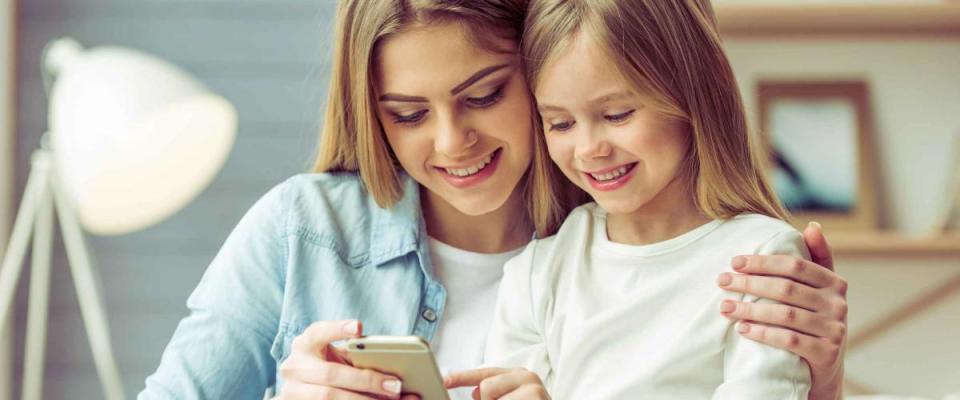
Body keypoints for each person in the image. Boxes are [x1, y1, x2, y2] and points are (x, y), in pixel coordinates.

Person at [139, 1, 847, 399]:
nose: (451, 144)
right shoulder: (306, 230)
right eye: (407, 114)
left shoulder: (622, 231)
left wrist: (821, 376)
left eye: (484, 96)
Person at [449, 0, 846, 399]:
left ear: (691, 96)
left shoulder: (761, 258)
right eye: (560, 123)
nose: (588, 149)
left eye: (618, 114)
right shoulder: (537, 275)